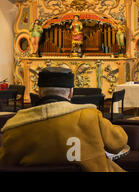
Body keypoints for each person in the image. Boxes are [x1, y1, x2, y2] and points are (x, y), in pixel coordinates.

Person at [0, 67, 128, 172]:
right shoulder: (90, 117)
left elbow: (6, 162)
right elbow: (118, 143)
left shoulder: (14, 127)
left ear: (39, 93)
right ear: (71, 92)